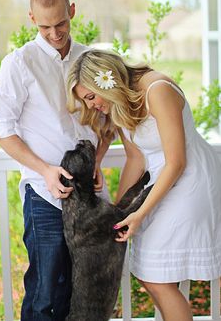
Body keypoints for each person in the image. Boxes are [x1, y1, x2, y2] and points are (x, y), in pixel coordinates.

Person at [66, 49, 221, 321]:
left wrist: (140, 214)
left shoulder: (157, 90)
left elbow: (176, 162)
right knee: (151, 276)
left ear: (106, 80)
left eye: (91, 96)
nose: (91, 106)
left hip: (192, 182)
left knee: (169, 275)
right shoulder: (119, 104)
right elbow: (135, 159)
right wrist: (117, 211)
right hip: (161, 186)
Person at [0, 0, 109, 321]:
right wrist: (44, 170)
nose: (54, 33)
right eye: (44, 26)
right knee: (45, 292)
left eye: (60, 23)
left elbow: (107, 119)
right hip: (44, 196)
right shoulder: (19, 63)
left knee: (81, 289)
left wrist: (97, 162)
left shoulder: (90, 59)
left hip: (88, 196)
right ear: (31, 19)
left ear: (72, 11)